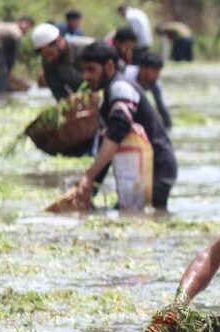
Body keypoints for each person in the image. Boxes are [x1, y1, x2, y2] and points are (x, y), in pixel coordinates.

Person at [76, 42, 177, 209]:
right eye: (84, 70)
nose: (86, 76)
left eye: (91, 69)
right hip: (142, 168)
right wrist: (91, 187)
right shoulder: (111, 91)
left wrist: (89, 176)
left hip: (156, 168)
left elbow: (116, 132)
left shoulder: (120, 88)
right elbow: (108, 143)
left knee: (142, 219)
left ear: (108, 66)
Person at [32, 23, 94, 101]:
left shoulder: (86, 47)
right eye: (45, 56)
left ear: (59, 42)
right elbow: (57, 90)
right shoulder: (48, 61)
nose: (49, 60)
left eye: (50, 54)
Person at [0, 17, 34, 93]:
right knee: (0, 84)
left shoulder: (4, 25)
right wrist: (7, 74)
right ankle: (1, 101)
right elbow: (12, 56)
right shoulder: (17, 32)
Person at [123, 52, 172, 129]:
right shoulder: (127, 75)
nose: (157, 75)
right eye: (155, 71)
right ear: (143, 69)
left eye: (159, 71)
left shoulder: (155, 84)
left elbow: (161, 108)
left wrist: (168, 128)